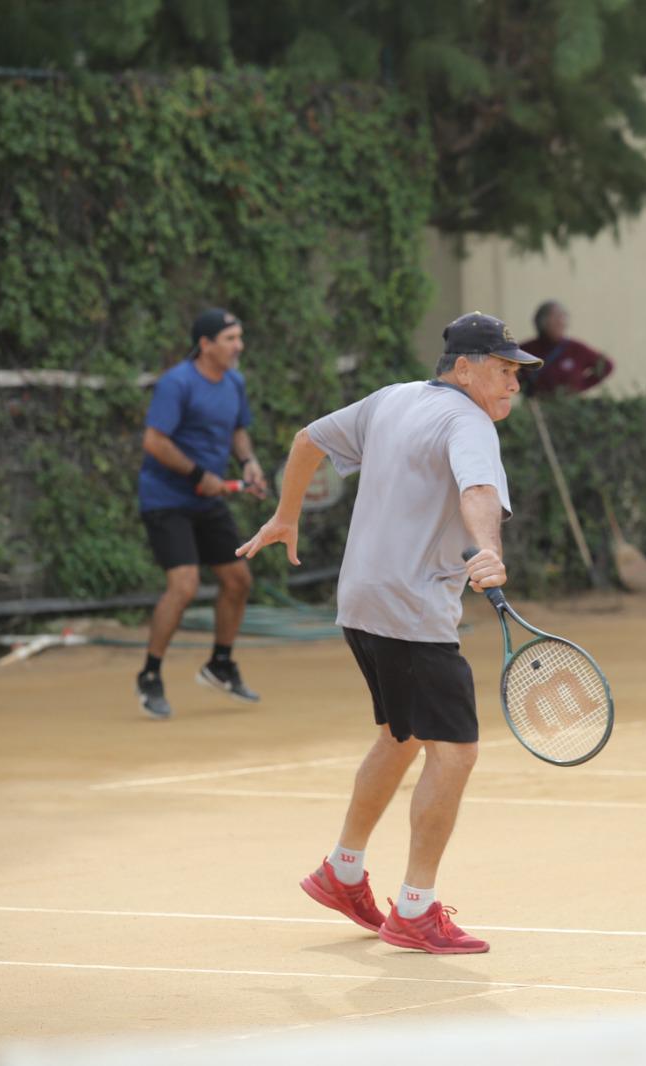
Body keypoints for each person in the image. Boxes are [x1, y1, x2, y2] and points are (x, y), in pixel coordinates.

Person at [236, 311, 541, 955]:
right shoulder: (469, 421)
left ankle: (342, 873)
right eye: (504, 369)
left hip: (362, 601)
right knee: (453, 753)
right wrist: (487, 548)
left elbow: (306, 439)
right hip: (411, 608)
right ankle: (416, 910)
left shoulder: (391, 399)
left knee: (401, 737)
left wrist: (286, 515)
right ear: (464, 368)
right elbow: (479, 490)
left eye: (518, 372)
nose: (514, 383)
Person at [135, 308, 267, 720]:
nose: (238, 346)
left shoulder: (234, 382)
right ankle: (150, 674)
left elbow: (236, 431)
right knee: (185, 584)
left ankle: (220, 665)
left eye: (239, 337)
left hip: (206, 500)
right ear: (205, 344)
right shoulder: (177, 384)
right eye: (229, 338)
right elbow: (155, 442)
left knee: (237, 579)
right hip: (166, 498)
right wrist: (197, 474)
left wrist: (248, 462)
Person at [519, 300, 614, 397]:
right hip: (537, 407)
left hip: (569, 407)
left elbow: (606, 366)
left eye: (561, 320)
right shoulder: (526, 350)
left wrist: (580, 386)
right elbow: (508, 374)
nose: (559, 324)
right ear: (541, 324)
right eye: (554, 321)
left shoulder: (576, 349)